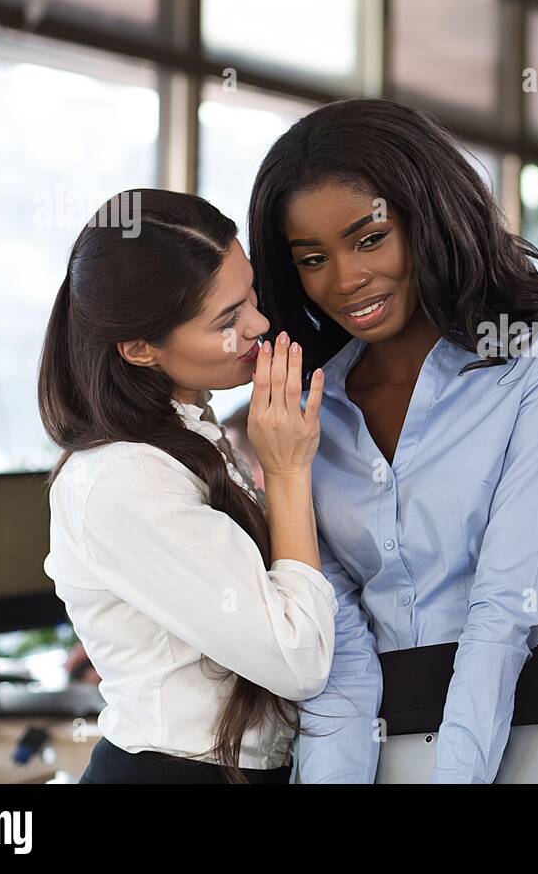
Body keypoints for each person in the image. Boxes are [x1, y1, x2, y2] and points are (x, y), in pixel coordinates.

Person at [248, 98, 538, 783]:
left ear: (428, 217)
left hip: (505, 735)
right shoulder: (310, 410)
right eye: (313, 258)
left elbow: (506, 612)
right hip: (365, 741)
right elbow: (337, 648)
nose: (345, 280)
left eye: (370, 239)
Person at [39, 189, 335, 783]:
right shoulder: (124, 478)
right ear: (140, 348)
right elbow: (298, 657)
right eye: (226, 320)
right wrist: (286, 471)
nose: (258, 324)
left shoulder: (190, 435)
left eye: (250, 294)